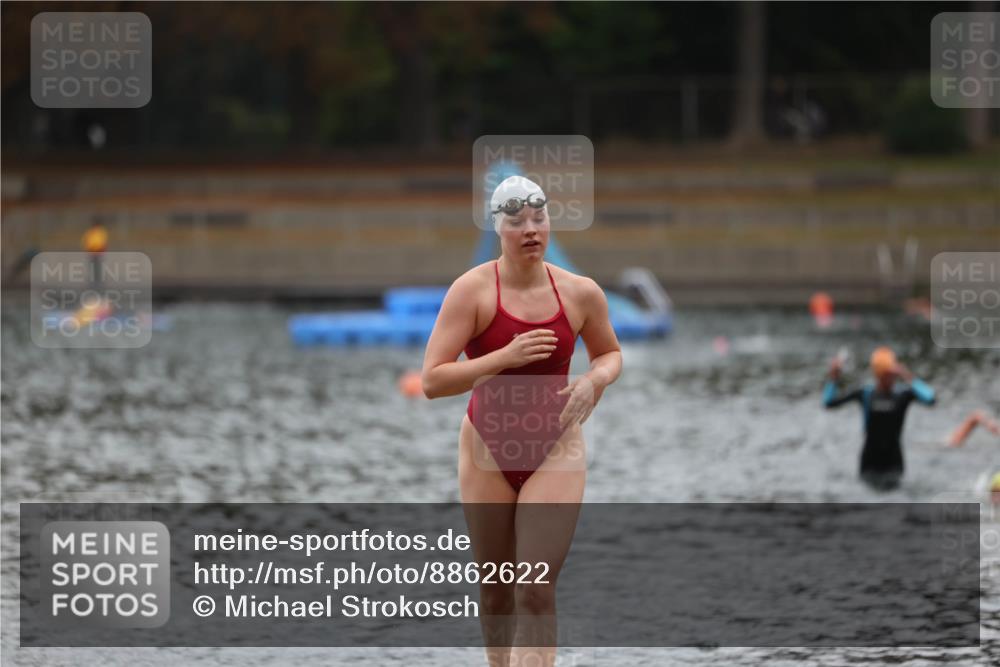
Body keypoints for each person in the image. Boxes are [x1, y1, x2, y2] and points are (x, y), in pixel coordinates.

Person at [421, 175, 622, 667]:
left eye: (539, 218)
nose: (531, 229)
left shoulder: (580, 293)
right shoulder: (472, 292)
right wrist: (501, 357)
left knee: (534, 587)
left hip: (556, 447)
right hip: (485, 447)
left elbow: (610, 354)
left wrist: (595, 382)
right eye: (517, 221)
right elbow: (432, 380)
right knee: (495, 592)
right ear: (498, 229)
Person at [822, 346, 935, 491]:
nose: (891, 377)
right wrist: (834, 377)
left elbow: (931, 399)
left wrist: (907, 375)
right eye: (887, 373)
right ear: (878, 374)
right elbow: (829, 403)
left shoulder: (903, 394)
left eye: (893, 373)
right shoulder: (865, 394)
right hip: (869, 464)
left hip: (894, 463)